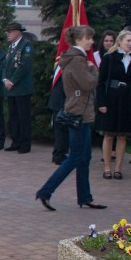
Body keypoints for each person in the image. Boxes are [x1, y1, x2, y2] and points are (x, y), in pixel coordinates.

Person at [36, 26, 106, 211]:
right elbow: (88, 84)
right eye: (89, 38)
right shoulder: (77, 60)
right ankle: (45, 191)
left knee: (84, 157)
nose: (92, 41)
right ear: (79, 40)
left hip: (80, 111)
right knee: (75, 156)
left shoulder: (75, 58)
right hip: (79, 113)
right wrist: (93, 70)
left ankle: (85, 196)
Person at [95, 30, 131, 180]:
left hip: (126, 99)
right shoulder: (109, 58)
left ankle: (118, 168)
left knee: (122, 135)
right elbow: (100, 83)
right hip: (111, 98)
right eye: (128, 41)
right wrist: (101, 102)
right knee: (108, 134)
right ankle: (107, 168)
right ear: (119, 41)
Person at [2, 22, 34, 153]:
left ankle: (25, 143)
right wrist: (4, 79)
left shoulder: (26, 45)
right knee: (13, 116)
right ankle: (16, 141)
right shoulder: (10, 47)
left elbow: (24, 65)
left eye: (9, 32)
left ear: (17, 32)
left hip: (21, 88)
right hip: (11, 88)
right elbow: (5, 65)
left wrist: (12, 81)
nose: (7, 34)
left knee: (23, 116)